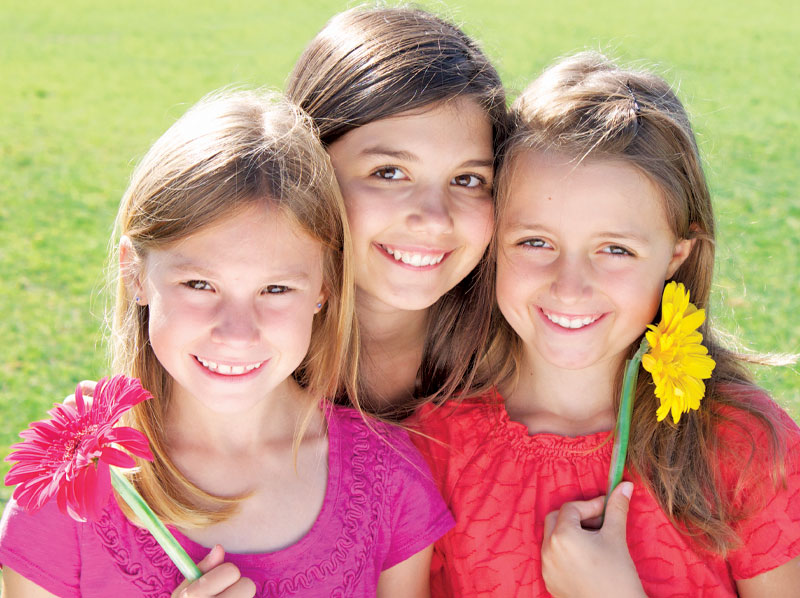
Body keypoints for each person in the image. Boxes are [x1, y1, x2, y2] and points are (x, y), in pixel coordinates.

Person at [0, 91, 454, 597]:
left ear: (324, 287)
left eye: (276, 289)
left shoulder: (389, 479)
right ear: (135, 272)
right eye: (200, 285)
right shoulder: (68, 496)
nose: (237, 331)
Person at [411, 52, 800, 597]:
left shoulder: (743, 446)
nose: (570, 287)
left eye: (615, 249)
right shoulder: (431, 447)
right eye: (536, 242)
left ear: (677, 255)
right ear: (494, 239)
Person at [286, 6, 509, 416]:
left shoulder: (521, 367)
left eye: (467, 180)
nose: (435, 218)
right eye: (389, 173)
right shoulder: (235, 350)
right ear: (308, 168)